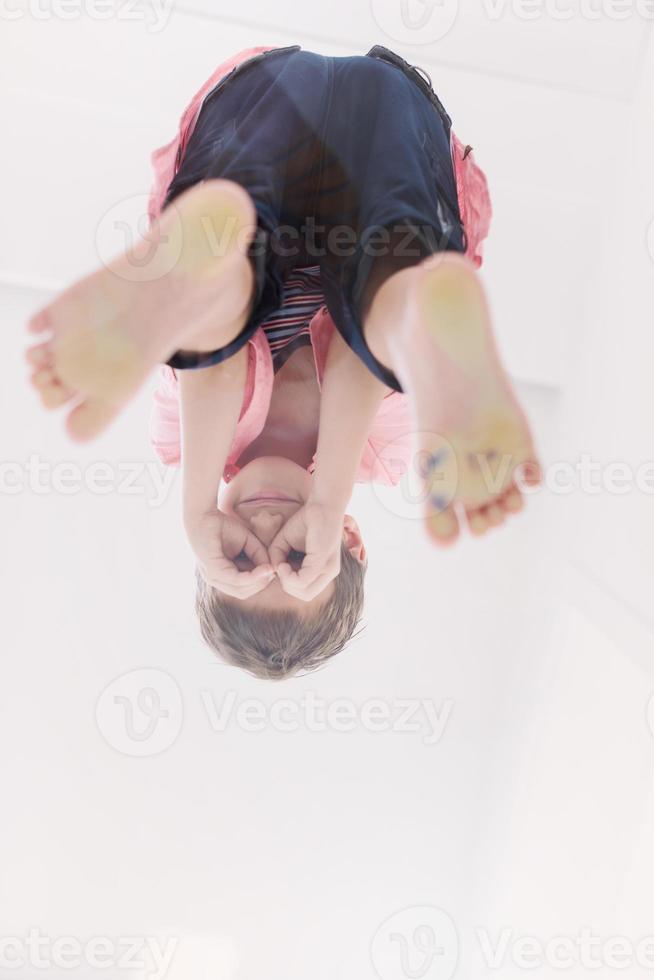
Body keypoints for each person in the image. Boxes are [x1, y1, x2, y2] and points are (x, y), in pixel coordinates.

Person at [26, 44, 540, 679]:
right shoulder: (380, 455)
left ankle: (192, 263)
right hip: (384, 140)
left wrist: (196, 508)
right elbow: (357, 359)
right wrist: (329, 495)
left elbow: (215, 366)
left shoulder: (185, 446)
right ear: (346, 541)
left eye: (242, 562)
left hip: (266, 118)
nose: (268, 531)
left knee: (212, 320)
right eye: (296, 558)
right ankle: (423, 301)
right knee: (385, 320)